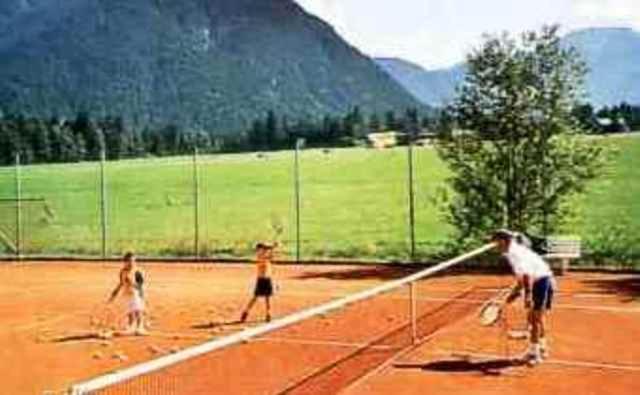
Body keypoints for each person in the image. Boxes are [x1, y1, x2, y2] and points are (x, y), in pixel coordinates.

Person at [491, 229, 554, 365]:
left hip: (541, 282)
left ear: (503, 241)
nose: (494, 245)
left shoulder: (515, 254)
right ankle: (541, 348)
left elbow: (527, 276)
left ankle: (534, 355)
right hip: (544, 279)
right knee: (536, 318)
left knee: (534, 319)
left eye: (495, 241)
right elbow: (521, 280)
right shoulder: (512, 251)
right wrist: (508, 298)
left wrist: (528, 296)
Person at [108, 252, 147, 335]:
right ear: (124, 262)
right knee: (130, 311)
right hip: (126, 294)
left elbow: (140, 285)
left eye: (133, 261)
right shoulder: (122, 272)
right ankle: (131, 326)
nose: (131, 263)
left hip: (135, 294)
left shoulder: (138, 272)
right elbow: (121, 283)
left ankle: (140, 327)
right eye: (128, 261)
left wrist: (132, 283)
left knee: (138, 310)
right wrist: (114, 293)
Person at [240, 242, 276, 323]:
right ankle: (246, 311)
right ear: (258, 250)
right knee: (255, 297)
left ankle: (268, 314)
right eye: (262, 248)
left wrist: (272, 248)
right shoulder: (260, 257)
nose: (264, 249)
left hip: (268, 278)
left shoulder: (265, 255)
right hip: (261, 279)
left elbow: (271, 257)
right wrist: (272, 247)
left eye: (264, 248)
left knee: (268, 297)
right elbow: (268, 257)